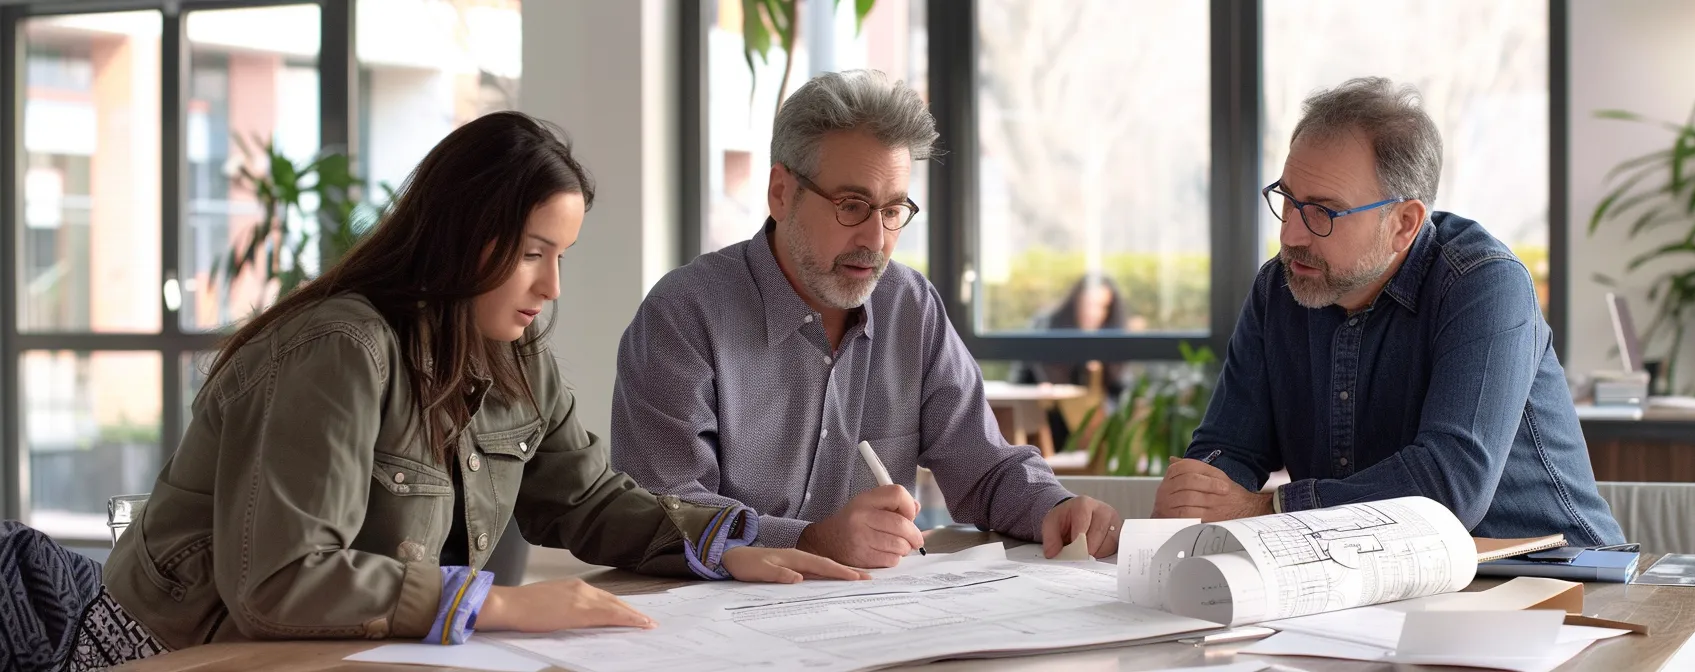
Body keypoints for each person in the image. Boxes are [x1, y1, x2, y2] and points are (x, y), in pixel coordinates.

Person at [0, 111, 868, 670]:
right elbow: (280, 581)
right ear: (464, 238)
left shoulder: (516, 360)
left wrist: (724, 546)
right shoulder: (341, 349)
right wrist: (500, 602)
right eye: (533, 253)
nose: (551, 287)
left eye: (561, 256)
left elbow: (591, 501)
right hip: (159, 655)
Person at [611, 70, 1122, 568]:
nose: (876, 241)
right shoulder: (683, 314)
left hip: (876, 626)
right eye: (852, 205)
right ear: (781, 193)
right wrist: (812, 540)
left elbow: (982, 468)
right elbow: (661, 510)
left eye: (893, 210)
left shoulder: (909, 306)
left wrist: (1054, 507)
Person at [1152, 78, 1623, 547]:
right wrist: (1201, 489)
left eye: (1322, 212)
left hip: (1559, 581)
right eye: (1288, 200)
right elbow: (1231, 446)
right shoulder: (1280, 286)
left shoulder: (1485, 284)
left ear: (1403, 224)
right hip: (1381, 581)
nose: (1291, 234)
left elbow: (1449, 487)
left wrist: (1269, 507)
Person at [1013, 274, 1131, 449]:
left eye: (1103, 306)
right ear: (1075, 302)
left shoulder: (1109, 341)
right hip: (1047, 418)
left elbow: (1120, 390)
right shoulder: (1048, 327)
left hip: (1091, 427)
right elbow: (1025, 379)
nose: (1094, 313)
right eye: (1088, 304)